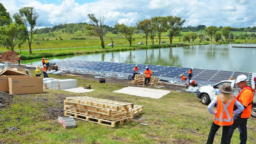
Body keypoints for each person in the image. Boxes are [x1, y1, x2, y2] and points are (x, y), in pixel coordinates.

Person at [227, 75, 255, 144]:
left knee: (230, 127)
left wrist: (234, 110)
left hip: (242, 113)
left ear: (243, 82)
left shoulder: (246, 91)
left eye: (238, 83)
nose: (237, 84)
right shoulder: (247, 90)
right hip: (245, 114)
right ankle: (243, 142)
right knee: (242, 129)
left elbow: (243, 106)